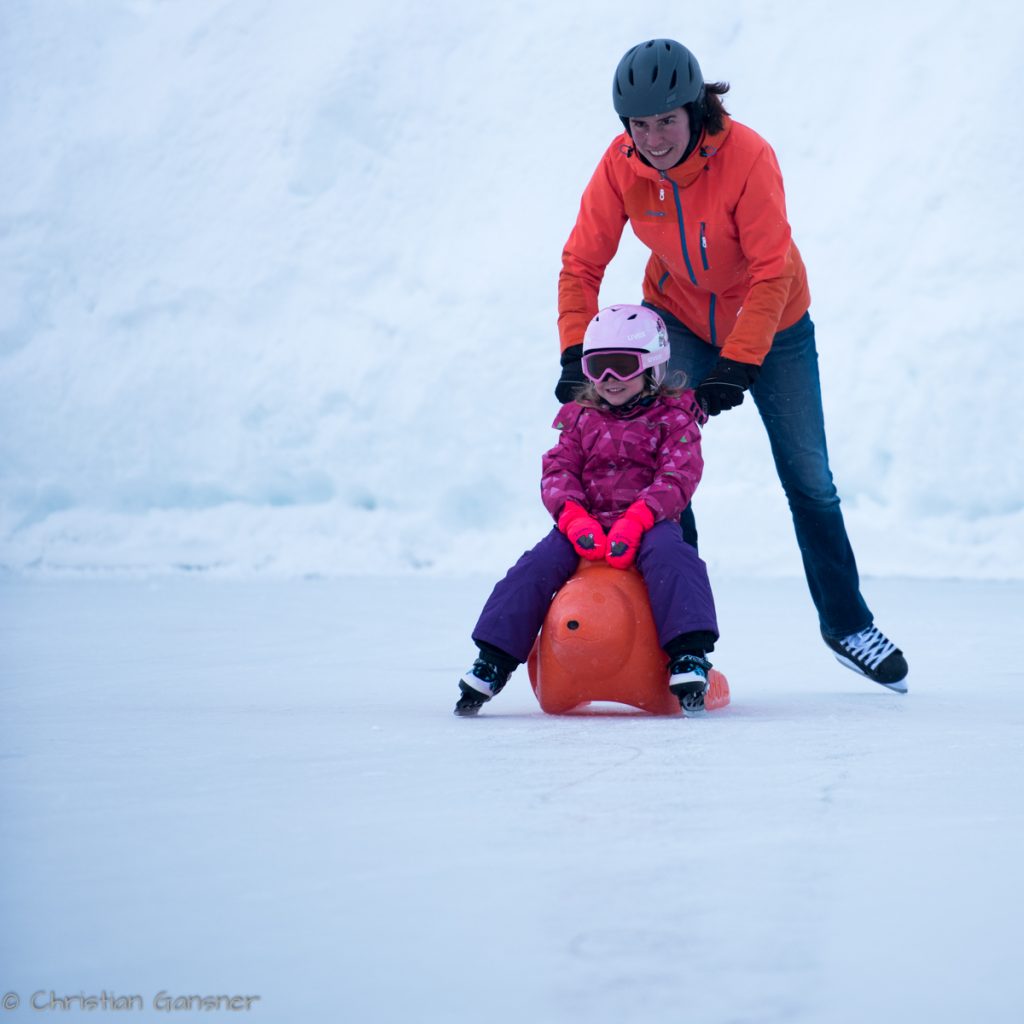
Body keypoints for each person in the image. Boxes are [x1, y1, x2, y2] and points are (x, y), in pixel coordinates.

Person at [554, 38, 908, 692]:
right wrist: (576, 350)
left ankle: (847, 624)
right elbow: (582, 264)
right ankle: (675, 638)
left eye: (667, 120)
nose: (654, 137)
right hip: (678, 317)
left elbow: (772, 270)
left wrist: (741, 363)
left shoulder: (748, 156)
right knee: (650, 464)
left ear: (695, 110)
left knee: (810, 479)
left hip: (775, 323)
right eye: (640, 124)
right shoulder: (620, 166)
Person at [455, 304, 718, 717]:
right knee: (535, 565)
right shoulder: (579, 419)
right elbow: (558, 469)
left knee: (674, 557)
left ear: (652, 365)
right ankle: (493, 659)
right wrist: (572, 517)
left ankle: (688, 654)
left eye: (620, 366)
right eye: (597, 368)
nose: (608, 380)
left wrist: (640, 517)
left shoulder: (675, 418)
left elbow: (678, 474)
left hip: (649, 523)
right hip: (585, 525)